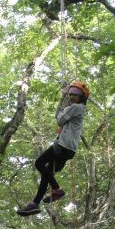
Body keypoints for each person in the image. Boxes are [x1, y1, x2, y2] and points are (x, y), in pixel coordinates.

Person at [17, 80, 90, 216]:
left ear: (82, 97)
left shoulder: (78, 107)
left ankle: (57, 189)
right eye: (71, 94)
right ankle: (35, 204)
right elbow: (58, 115)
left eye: (76, 94)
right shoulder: (73, 108)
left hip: (63, 145)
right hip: (69, 149)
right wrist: (62, 97)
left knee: (39, 163)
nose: (72, 96)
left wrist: (65, 103)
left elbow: (60, 120)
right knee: (47, 175)